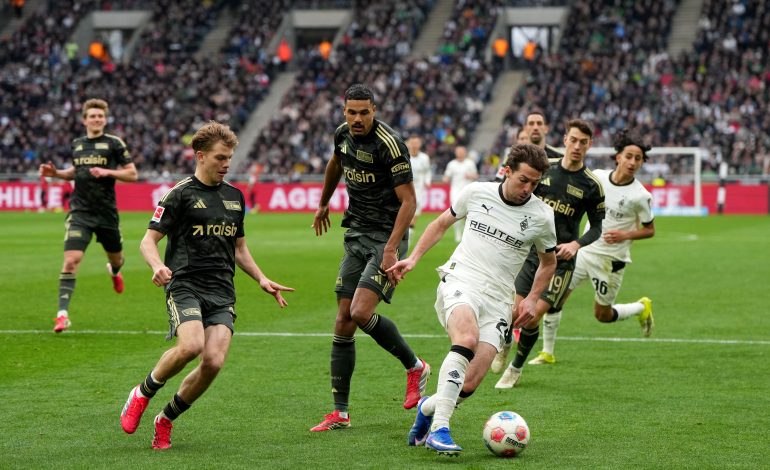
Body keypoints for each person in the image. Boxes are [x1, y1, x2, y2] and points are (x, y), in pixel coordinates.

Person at [119, 121, 293, 450]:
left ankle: (165, 419)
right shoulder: (180, 194)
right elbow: (147, 241)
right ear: (200, 156)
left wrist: (261, 278)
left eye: (229, 158)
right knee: (191, 346)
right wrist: (157, 266)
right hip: (185, 284)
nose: (226, 164)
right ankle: (142, 392)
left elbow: (239, 249)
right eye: (220, 158)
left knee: (213, 361)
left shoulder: (235, 197)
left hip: (222, 291)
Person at [386, 144, 557, 455]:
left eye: (535, 183)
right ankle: (440, 429)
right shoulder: (477, 192)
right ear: (507, 171)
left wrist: (533, 298)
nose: (528, 189)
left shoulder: (542, 216)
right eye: (523, 180)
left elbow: (549, 262)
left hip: (500, 299)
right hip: (462, 279)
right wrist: (413, 258)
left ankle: (427, 408)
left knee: (469, 382)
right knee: (466, 338)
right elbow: (440, 224)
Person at [310, 84, 430, 432]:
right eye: (352, 112)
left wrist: (392, 247)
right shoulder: (342, 135)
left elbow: (409, 202)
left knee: (360, 312)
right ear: (344, 112)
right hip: (357, 234)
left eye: (364, 112)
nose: (358, 118)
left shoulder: (390, 145)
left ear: (374, 111)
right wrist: (323, 202)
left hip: (386, 236)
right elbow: (336, 163)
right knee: (343, 321)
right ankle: (340, 413)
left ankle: (415, 366)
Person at [495, 118, 605, 388]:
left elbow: (597, 228)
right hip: (531, 253)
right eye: (573, 140)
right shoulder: (544, 170)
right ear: (565, 139)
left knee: (531, 315)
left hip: (560, 262)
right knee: (512, 312)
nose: (577, 146)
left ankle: (515, 368)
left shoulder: (592, 185)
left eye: (583, 142)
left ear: (589, 145)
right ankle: (506, 340)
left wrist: (576, 244)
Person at [533, 129, 656, 364]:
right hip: (583, 251)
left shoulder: (641, 196)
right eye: (628, 156)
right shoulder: (597, 179)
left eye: (638, 158)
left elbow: (650, 229)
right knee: (554, 297)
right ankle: (547, 352)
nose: (632, 162)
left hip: (611, 261)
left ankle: (641, 307)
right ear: (618, 157)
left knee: (602, 315)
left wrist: (625, 234)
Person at [39, 98, 138, 333]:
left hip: (106, 214)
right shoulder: (77, 144)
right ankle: (62, 315)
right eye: (92, 116)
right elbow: (76, 171)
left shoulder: (114, 143)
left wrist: (107, 172)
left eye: (100, 116)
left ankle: (114, 271)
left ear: (105, 119)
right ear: (84, 120)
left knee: (117, 259)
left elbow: (132, 174)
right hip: (80, 212)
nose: (97, 119)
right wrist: (57, 173)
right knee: (71, 260)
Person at [442, 145, 478, 242]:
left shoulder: (470, 163)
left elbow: (475, 175)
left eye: (462, 151)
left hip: (468, 190)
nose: (460, 153)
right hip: (455, 191)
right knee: (455, 212)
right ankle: (457, 233)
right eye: (458, 151)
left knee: (468, 213)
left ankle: (466, 233)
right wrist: (445, 179)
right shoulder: (451, 164)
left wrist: (471, 176)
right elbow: (446, 176)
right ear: (456, 153)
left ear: (465, 153)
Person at [406, 134, 431, 237]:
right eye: (412, 143)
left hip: (419, 186)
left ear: (419, 144)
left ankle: (410, 228)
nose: (414, 145)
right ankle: (407, 227)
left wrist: (427, 181)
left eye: (416, 143)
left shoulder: (424, 158)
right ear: (408, 144)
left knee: (418, 205)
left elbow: (427, 171)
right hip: (406, 185)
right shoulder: (404, 156)